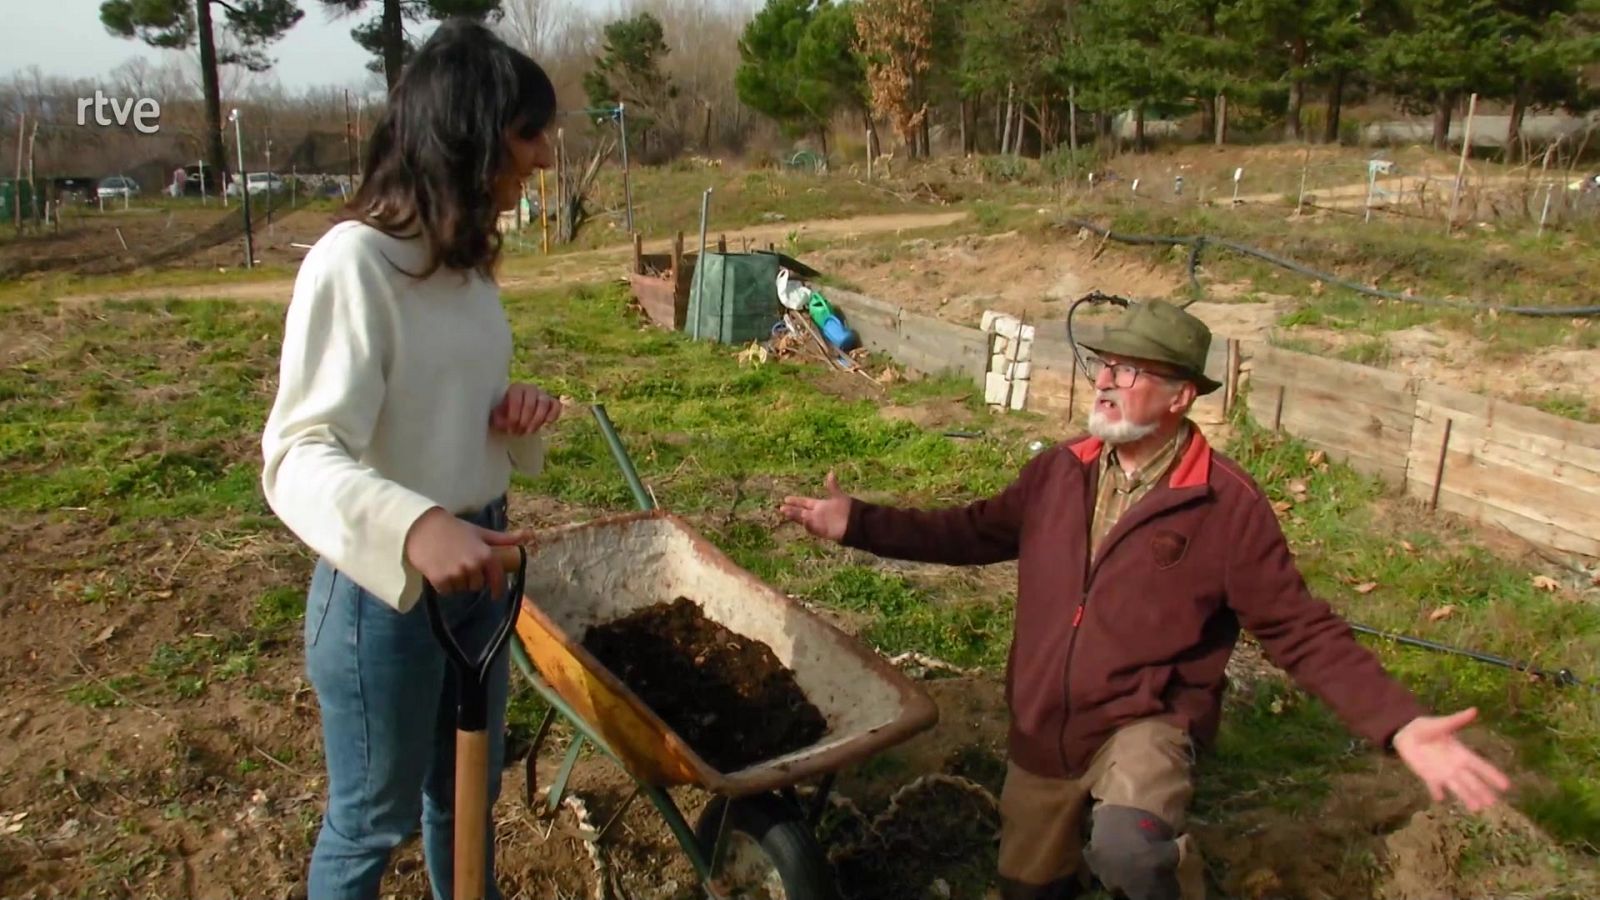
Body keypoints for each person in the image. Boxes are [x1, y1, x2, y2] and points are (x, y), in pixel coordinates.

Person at [779, 299, 1512, 900]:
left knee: (1133, 854)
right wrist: (860, 523)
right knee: (1030, 888)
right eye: (1105, 365)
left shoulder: (1226, 506)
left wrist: (1400, 723)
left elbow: (1300, 630)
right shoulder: (1062, 472)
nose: (1105, 381)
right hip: (1043, 723)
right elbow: (971, 531)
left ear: (1180, 395)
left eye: (1130, 372)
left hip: (1146, 719)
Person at [259, 19, 561, 900]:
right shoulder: (353, 264)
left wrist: (512, 419)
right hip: (381, 600)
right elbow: (298, 454)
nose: (541, 159)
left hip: (482, 565)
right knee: (371, 822)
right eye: (527, 133)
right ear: (467, 134)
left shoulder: (465, 272)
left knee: (466, 790)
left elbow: (444, 413)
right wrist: (415, 525)